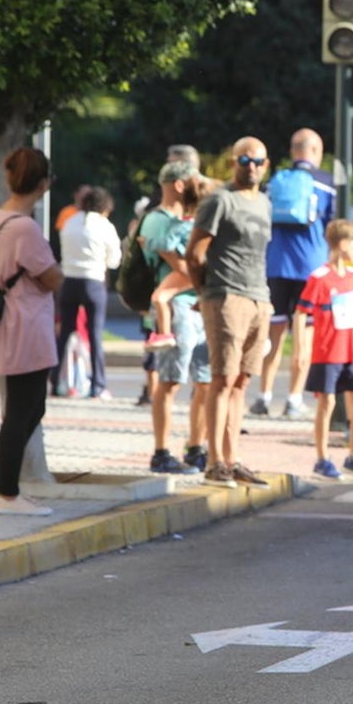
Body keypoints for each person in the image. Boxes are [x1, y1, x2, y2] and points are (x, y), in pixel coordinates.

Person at [185, 136, 274, 489]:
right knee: (221, 379)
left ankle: (233, 458)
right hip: (225, 295)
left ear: (266, 165)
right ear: (233, 163)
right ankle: (214, 462)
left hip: (259, 298)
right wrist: (205, 292)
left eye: (257, 161)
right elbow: (195, 253)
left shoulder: (265, 203)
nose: (250, 166)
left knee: (241, 382)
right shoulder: (219, 200)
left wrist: (263, 300)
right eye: (243, 160)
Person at [0, 147, 64, 515]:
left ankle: (0, 489)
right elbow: (52, 278)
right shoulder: (25, 228)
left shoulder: (1, 217)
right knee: (23, 410)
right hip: (25, 325)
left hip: (10, 324)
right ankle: (7, 493)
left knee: (28, 407)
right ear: (43, 184)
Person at [250, 127, 337, 420]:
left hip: (275, 266)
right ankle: (294, 400)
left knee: (274, 334)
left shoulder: (275, 181)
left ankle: (263, 396)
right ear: (315, 151)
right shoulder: (326, 183)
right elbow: (331, 228)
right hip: (310, 269)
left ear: (293, 151)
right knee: (304, 337)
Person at [143, 163, 212, 475]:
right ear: (181, 185)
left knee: (206, 382)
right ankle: (161, 452)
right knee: (170, 381)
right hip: (179, 308)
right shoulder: (159, 221)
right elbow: (184, 267)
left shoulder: (190, 219)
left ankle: (196, 447)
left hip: (200, 305)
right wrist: (204, 275)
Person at [298, 219, 353, 480]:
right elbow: (300, 313)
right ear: (342, 244)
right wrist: (301, 349)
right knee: (327, 403)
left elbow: (352, 315)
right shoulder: (319, 278)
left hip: (351, 352)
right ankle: (322, 458)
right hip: (326, 352)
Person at [52, 186, 121, 399]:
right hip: (93, 281)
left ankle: (55, 382)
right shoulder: (104, 225)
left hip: (69, 280)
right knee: (95, 334)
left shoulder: (70, 222)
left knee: (64, 334)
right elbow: (114, 260)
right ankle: (98, 385)